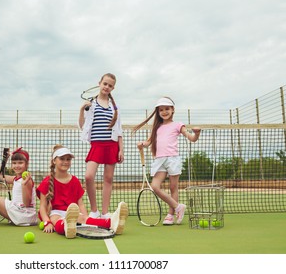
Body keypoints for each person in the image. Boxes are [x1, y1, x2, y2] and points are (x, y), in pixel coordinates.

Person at [132, 97, 201, 225]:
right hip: (159, 160)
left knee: (173, 187)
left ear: (173, 110)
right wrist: (142, 144)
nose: (164, 112)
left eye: (167, 109)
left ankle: (170, 215)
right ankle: (178, 207)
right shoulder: (156, 127)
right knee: (155, 187)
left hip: (173, 159)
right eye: (161, 110)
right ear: (158, 112)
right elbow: (148, 142)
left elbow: (192, 138)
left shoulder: (178, 125)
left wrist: (196, 134)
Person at [36, 144, 128, 238]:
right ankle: (66, 227)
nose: (65, 162)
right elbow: (42, 207)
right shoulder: (47, 182)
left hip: (73, 213)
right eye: (62, 159)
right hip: (56, 213)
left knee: (84, 219)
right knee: (57, 220)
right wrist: (47, 222)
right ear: (54, 161)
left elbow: (80, 204)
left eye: (68, 159)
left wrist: (86, 217)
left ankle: (112, 222)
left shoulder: (75, 181)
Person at [78, 73, 124, 219]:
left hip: (112, 145)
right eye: (105, 83)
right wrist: (81, 110)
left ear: (113, 88)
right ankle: (94, 210)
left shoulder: (114, 107)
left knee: (108, 178)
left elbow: (119, 130)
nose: (107, 87)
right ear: (99, 83)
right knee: (88, 176)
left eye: (110, 85)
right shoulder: (91, 104)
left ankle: (104, 213)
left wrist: (121, 149)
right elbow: (82, 126)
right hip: (97, 145)